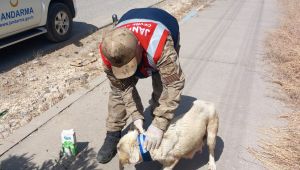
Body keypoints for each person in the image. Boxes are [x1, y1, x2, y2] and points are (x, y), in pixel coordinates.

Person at [97, 7, 185, 163]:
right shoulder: (109, 52)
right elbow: (122, 87)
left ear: (138, 46)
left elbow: (173, 85)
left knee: (162, 89)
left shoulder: (160, 46)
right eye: (121, 68)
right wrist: (136, 114)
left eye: (129, 64)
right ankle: (112, 133)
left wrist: (159, 123)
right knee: (117, 92)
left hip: (159, 41)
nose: (127, 72)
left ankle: (158, 131)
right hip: (133, 33)